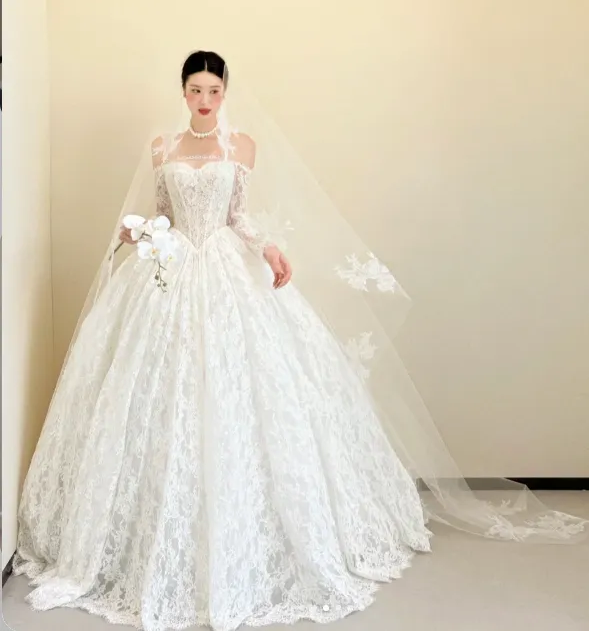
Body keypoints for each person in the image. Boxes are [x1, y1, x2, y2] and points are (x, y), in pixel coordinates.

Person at [13, 51, 587, 631]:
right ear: (182, 91)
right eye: (195, 89)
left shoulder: (243, 146)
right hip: (172, 270)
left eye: (214, 90)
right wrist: (139, 234)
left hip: (226, 269)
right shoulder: (162, 147)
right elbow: (162, 213)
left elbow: (238, 215)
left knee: (252, 391)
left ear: (225, 92)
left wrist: (267, 248)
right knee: (158, 392)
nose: (205, 100)